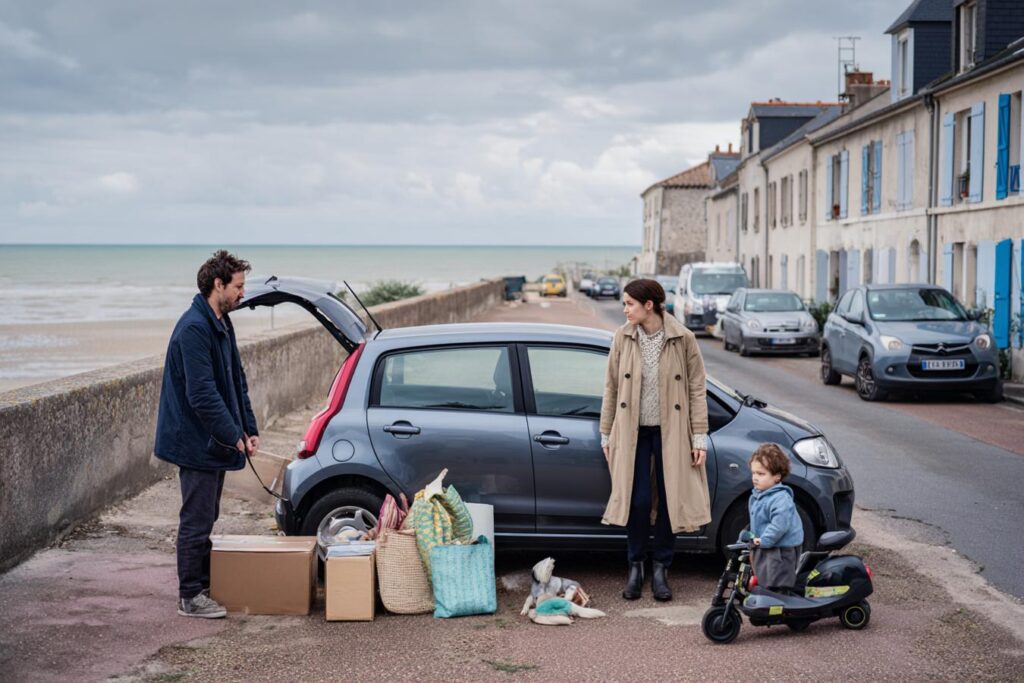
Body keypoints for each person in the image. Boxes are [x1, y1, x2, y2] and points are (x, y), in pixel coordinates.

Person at [154, 250, 259, 618]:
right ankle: (189, 596)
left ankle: (203, 583)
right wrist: (233, 436)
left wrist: (248, 428)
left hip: (214, 437)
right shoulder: (194, 328)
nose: (243, 293)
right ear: (218, 285)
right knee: (196, 518)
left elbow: (235, 380)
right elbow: (201, 395)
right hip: (193, 440)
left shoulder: (221, 321)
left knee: (208, 514)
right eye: (238, 286)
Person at [600, 278, 711, 601]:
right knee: (637, 501)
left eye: (629, 304)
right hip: (633, 432)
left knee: (668, 499)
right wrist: (606, 432)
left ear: (649, 305)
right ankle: (635, 566)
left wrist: (699, 436)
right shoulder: (622, 337)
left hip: (672, 431)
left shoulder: (683, 338)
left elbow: (696, 388)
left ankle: (661, 567)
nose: (624, 310)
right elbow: (611, 387)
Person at [747, 443, 804, 594]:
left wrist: (765, 540)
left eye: (761, 474)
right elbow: (757, 520)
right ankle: (769, 601)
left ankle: (781, 604)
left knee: (778, 579)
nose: (755, 478)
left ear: (777, 476)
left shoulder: (780, 499)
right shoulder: (757, 495)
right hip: (767, 545)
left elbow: (780, 525)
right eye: (753, 473)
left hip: (782, 549)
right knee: (765, 575)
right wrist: (748, 534)